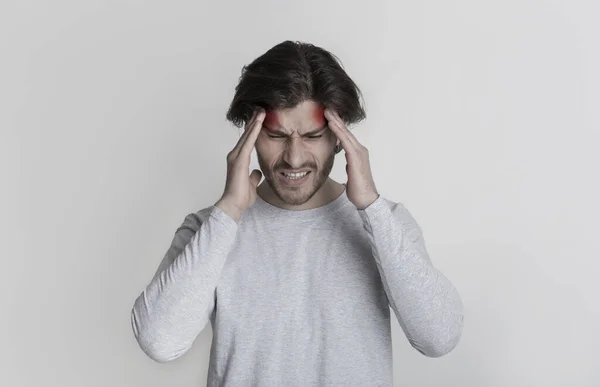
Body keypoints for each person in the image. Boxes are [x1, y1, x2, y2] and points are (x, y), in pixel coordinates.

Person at [130, 40, 464, 386]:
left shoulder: (385, 223)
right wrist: (228, 211)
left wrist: (371, 208)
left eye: (312, 135)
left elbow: (438, 338)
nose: (293, 157)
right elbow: (159, 341)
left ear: (339, 135)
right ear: (251, 134)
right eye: (276, 135)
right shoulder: (209, 229)